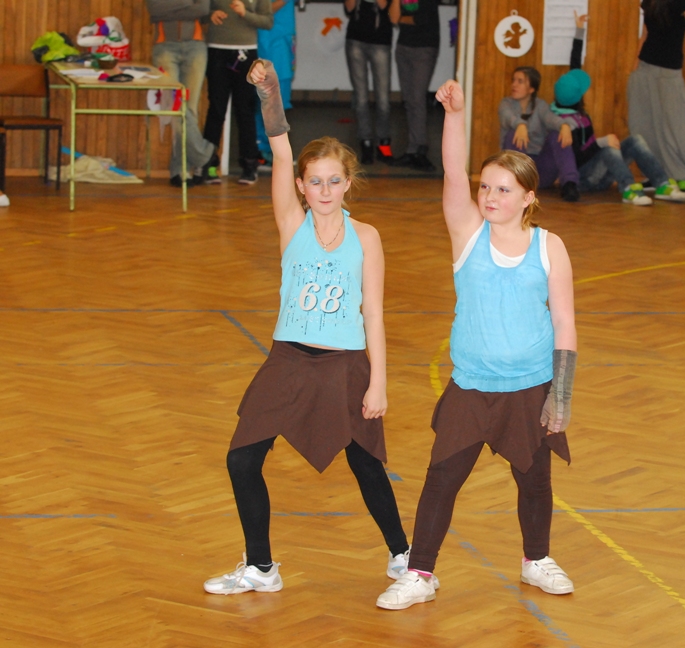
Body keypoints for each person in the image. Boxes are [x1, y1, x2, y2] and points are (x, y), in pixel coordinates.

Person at [203, 58, 411, 595]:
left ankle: (403, 555)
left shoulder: (367, 237)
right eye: (314, 181)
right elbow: (279, 146)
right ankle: (261, 567)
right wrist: (269, 89)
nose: (324, 189)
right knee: (241, 459)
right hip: (289, 360)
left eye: (334, 181)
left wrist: (379, 382)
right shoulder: (291, 224)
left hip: (345, 366)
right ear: (300, 185)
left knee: (366, 464)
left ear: (348, 184)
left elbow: (374, 312)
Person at [376, 79, 578, 610]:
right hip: (471, 386)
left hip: (530, 386)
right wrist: (455, 114)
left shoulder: (550, 246)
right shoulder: (468, 234)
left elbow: (565, 322)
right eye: (485, 186)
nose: (490, 196)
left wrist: (560, 395)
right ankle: (420, 573)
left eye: (503, 190)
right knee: (442, 478)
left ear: (528, 197)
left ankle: (537, 560)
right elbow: (451, 171)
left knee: (534, 481)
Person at [554, 13, 685, 206]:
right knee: (608, 149)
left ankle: (662, 184)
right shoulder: (563, 123)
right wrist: (601, 143)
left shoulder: (570, 104)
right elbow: (575, 158)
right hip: (586, 180)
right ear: (577, 97)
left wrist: (579, 30)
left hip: (601, 172)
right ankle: (628, 189)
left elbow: (574, 66)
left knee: (635, 140)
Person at [627, 0, 685, 195]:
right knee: (644, 126)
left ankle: (681, 177)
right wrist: (635, 67)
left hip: (669, 73)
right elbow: (644, 35)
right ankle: (657, 175)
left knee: (673, 127)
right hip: (645, 69)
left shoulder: (682, 1)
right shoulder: (649, 1)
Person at [145, 0, 218, 187]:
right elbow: (155, 8)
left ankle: (180, 169)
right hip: (165, 47)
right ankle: (204, 154)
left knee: (188, 109)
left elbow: (202, 8)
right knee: (175, 106)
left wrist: (171, 7)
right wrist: (188, 5)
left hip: (196, 48)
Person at [200, 0, 274, 185]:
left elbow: (267, 21)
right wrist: (210, 15)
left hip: (246, 53)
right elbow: (198, 11)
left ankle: (249, 165)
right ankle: (209, 164)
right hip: (217, 50)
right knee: (216, 108)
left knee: (245, 109)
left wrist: (245, 13)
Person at [500, 67, 580, 202]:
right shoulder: (506, 104)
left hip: (540, 170)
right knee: (513, 133)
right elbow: (507, 117)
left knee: (557, 134)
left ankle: (569, 184)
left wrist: (564, 125)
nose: (514, 85)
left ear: (531, 89)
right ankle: (517, 183)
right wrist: (520, 125)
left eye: (520, 81)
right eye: (513, 80)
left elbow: (551, 118)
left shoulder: (540, 105)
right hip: (517, 171)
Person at [388, 0, 439, 172]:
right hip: (403, 47)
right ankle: (412, 150)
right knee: (409, 100)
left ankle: (420, 150)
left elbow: (422, 19)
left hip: (424, 47)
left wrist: (401, 18)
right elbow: (393, 17)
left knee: (417, 99)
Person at [345, 0, 394, 165]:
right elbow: (349, 8)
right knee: (361, 98)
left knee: (383, 99)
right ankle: (365, 142)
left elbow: (384, 6)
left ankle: (383, 142)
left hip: (381, 41)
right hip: (355, 40)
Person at [255, 0, 296, 167]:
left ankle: (275, 151)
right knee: (268, 95)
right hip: (270, 39)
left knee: (281, 96)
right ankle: (262, 148)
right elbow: (260, 10)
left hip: (284, 37)